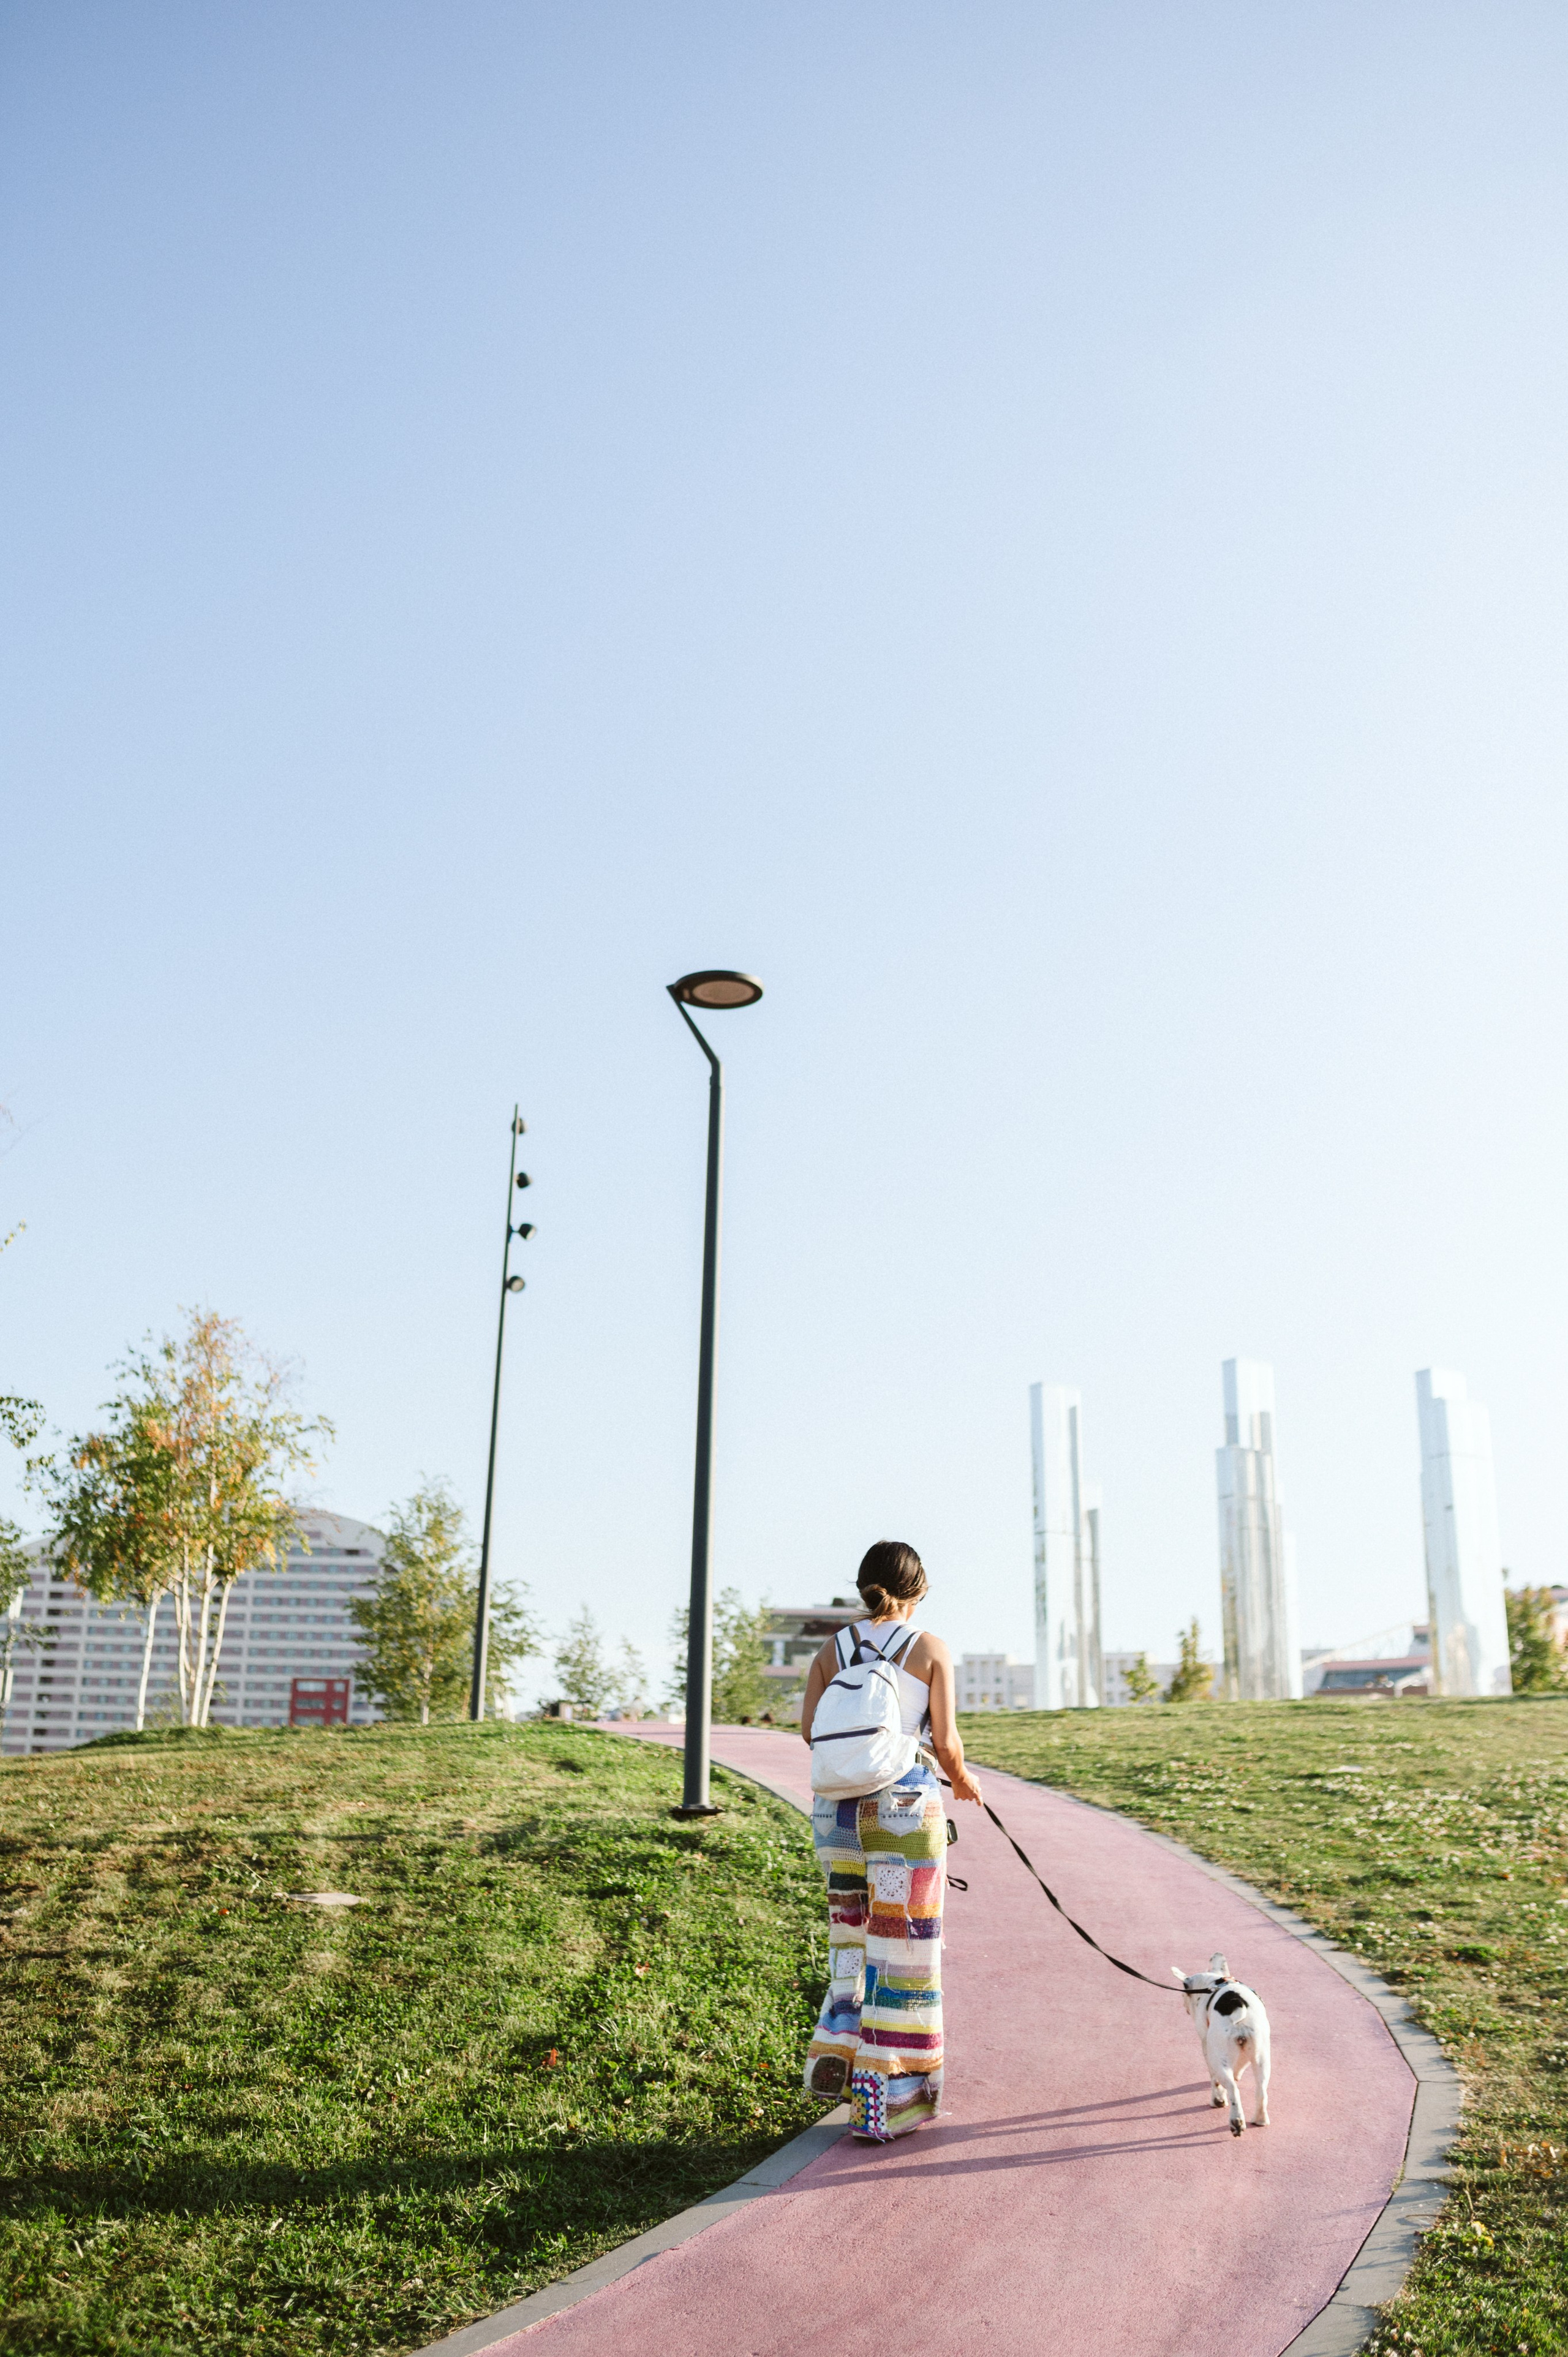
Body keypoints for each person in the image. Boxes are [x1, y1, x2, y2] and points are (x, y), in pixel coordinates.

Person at [798, 1539, 983, 2142]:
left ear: (862, 1587)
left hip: (833, 1813)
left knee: (850, 1944)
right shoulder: (928, 1647)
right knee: (902, 1949)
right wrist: (963, 1780)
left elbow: (810, 1731)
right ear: (919, 1589)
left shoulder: (831, 1649)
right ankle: (888, 2099)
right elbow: (946, 1743)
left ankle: (838, 2054)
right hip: (901, 1809)